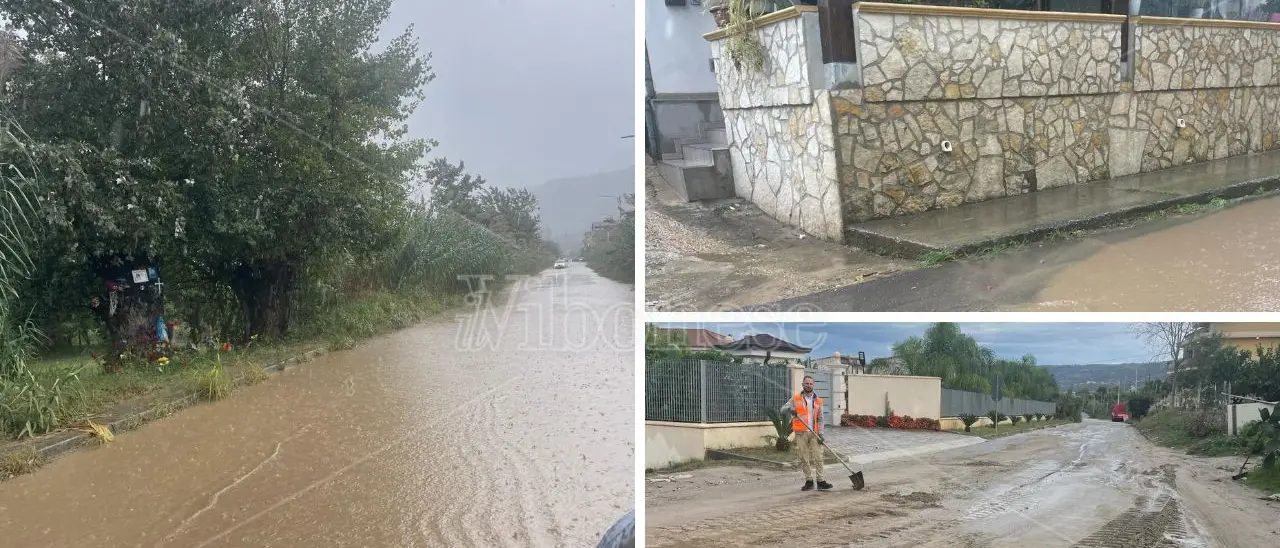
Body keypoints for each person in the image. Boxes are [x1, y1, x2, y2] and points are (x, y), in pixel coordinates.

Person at [781, 375, 832, 491]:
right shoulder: (795, 398)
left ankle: (821, 481)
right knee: (804, 458)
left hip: (814, 433)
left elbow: (821, 419)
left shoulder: (818, 400)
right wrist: (790, 409)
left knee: (819, 457)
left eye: (810, 384)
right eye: (806, 383)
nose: (808, 385)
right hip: (801, 433)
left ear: (813, 385)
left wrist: (821, 433)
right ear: (803, 385)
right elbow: (782, 410)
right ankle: (809, 481)